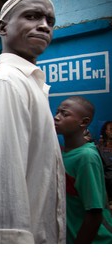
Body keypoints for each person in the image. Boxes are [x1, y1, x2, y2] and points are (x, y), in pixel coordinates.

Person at [0, 0, 66, 244]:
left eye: (50, 21)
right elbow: (4, 188)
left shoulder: (30, 84)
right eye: (32, 16)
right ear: (2, 27)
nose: (44, 25)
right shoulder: (7, 83)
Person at [54, 96, 112, 243]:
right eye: (57, 112)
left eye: (64, 114)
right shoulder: (62, 153)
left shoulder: (86, 157)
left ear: (84, 122)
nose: (56, 117)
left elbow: (94, 213)